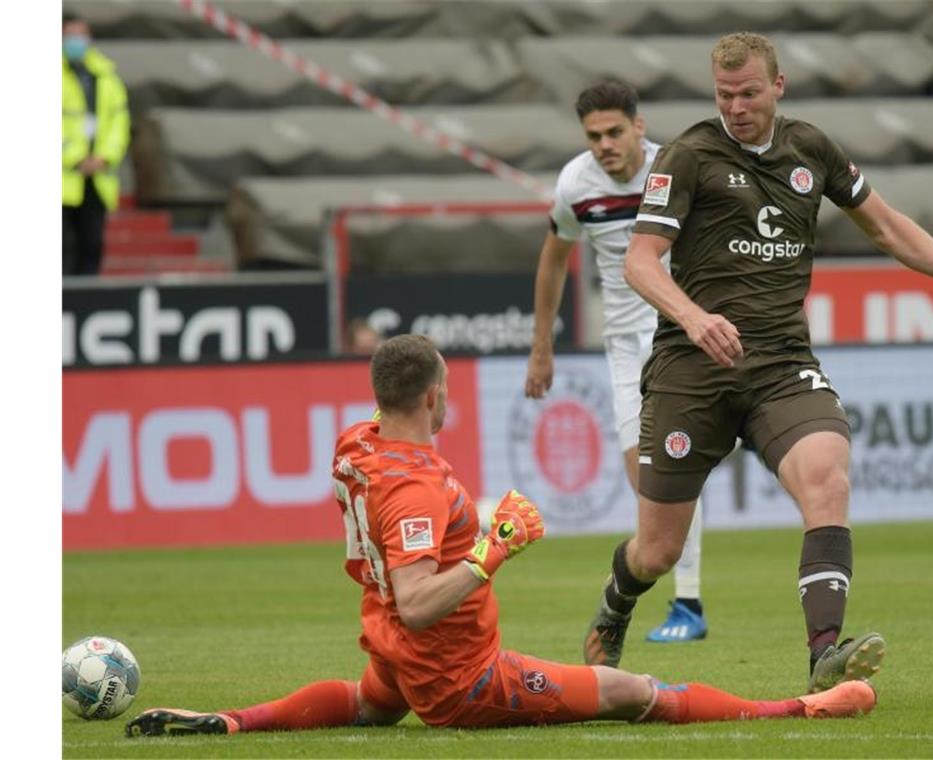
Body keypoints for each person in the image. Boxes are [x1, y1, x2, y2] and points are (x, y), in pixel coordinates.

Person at [125, 334, 876, 738]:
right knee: (634, 692)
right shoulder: (415, 484)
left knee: (370, 705)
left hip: (391, 646)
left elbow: (400, 566)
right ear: (432, 396)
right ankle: (802, 708)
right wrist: (495, 547)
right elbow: (420, 599)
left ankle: (231, 721)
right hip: (459, 675)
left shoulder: (357, 445)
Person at [582, 32, 933, 693]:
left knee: (827, 481)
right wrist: (694, 317)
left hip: (780, 362)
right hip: (691, 367)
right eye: (725, 96)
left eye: (749, 93)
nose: (736, 107)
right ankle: (616, 602)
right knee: (658, 550)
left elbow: (887, 227)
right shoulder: (689, 155)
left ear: (777, 86)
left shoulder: (812, 149)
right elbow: (640, 261)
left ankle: (824, 660)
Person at [525, 79, 710, 643]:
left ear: (639, 126)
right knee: (650, 482)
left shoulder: (676, 168)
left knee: (673, 466)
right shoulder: (575, 185)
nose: (604, 144)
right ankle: (685, 603)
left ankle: (688, 604)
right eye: (593, 135)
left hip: (685, 335)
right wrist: (542, 347)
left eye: (614, 131)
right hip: (628, 350)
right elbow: (553, 261)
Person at [62, 10, 131, 276]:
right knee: (62, 253)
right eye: (70, 35)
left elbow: (119, 122)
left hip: (97, 179)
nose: (76, 41)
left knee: (91, 249)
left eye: (80, 35)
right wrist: (75, 158)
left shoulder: (106, 75)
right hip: (64, 178)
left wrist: (103, 158)